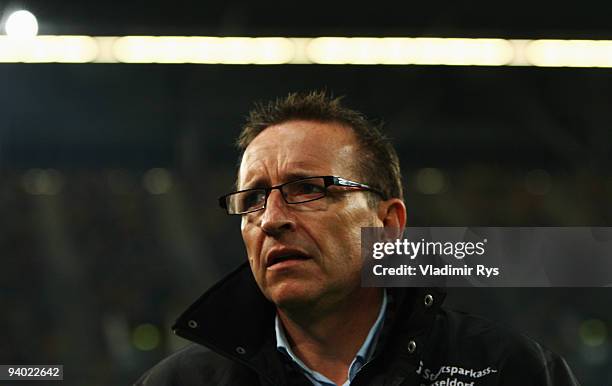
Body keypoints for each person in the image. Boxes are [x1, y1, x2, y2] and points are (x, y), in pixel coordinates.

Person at [135, 91, 580, 386]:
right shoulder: (176, 383)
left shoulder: (512, 370)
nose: (271, 219)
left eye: (308, 188)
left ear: (388, 225)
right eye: (252, 199)